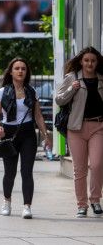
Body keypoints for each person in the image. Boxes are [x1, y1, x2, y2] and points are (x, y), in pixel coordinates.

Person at [0, 57, 51, 219]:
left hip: (27, 134)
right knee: (9, 173)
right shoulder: (2, 91)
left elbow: (38, 116)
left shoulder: (32, 91)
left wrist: (46, 135)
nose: (20, 71)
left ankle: (27, 206)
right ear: (11, 72)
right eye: (17, 68)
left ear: (26, 72)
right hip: (8, 133)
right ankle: (7, 201)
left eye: (23, 69)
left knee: (27, 171)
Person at [55, 46, 103, 218]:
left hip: (98, 126)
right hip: (76, 128)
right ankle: (82, 205)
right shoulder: (72, 78)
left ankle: (95, 200)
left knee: (97, 165)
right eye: (87, 60)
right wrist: (72, 89)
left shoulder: (102, 80)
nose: (90, 63)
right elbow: (59, 100)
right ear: (81, 62)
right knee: (79, 169)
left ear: (97, 62)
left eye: (93, 60)